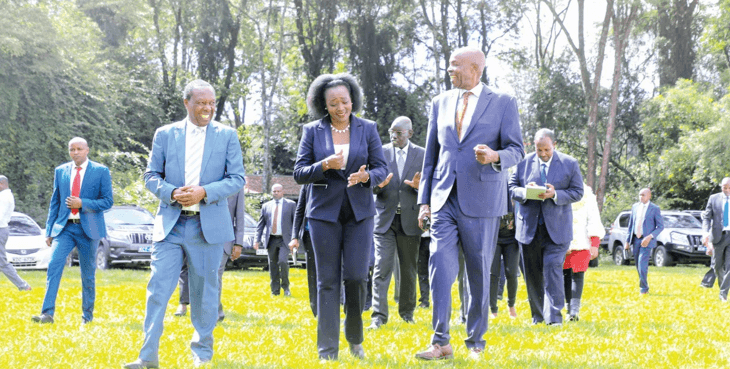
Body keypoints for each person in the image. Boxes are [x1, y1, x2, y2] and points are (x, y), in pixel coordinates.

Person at [124, 79, 245, 369]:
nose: (207, 108)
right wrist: (171, 192)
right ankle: (147, 356)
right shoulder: (165, 134)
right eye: (201, 102)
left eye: (211, 103)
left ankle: (202, 355)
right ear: (187, 103)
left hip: (208, 226)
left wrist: (205, 192)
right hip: (171, 225)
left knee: (205, 294)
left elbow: (237, 178)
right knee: (158, 289)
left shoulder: (227, 136)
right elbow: (151, 175)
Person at [415, 46, 524, 361]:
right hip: (443, 198)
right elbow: (431, 158)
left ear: (476, 68)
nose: (449, 70)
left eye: (455, 65)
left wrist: (494, 157)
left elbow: (516, 149)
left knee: (478, 271)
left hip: (482, 200)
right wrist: (425, 202)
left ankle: (476, 341)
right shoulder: (440, 102)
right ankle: (440, 342)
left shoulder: (503, 103)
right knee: (439, 265)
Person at [293, 73, 388, 360]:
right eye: (333, 103)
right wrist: (323, 164)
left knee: (357, 277)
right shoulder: (312, 131)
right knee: (327, 281)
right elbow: (299, 173)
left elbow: (382, 169)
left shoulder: (368, 128)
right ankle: (327, 350)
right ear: (323, 104)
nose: (340, 107)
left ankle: (355, 338)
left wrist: (367, 176)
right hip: (324, 215)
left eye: (344, 101)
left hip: (359, 214)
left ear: (352, 100)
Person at [31, 137, 113, 325]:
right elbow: (55, 202)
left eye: (79, 149)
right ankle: (47, 314)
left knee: (87, 273)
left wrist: (82, 203)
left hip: (89, 230)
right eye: (71, 149)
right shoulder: (61, 171)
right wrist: (49, 230)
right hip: (64, 228)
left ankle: (87, 317)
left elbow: (107, 202)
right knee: (53, 265)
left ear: (87, 150)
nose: (75, 152)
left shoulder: (100, 171)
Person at [509, 128, 584, 325]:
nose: (543, 154)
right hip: (529, 230)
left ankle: (555, 318)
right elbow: (511, 188)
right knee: (532, 275)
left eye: (547, 150)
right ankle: (538, 317)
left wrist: (556, 194)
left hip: (557, 230)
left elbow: (577, 192)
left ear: (554, 146)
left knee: (552, 268)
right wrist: (525, 192)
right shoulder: (523, 163)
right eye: (539, 149)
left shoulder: (569, 163)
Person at [369, 116, 425, 329]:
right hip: (384, 220)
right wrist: (379, 185)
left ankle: (407, 313)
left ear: (409, 133)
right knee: (382, 267)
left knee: (409, 270)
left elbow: (429, 185)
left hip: (411, 220)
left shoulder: (422, 154)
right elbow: (371, 185)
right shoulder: (380, 153)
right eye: (392, 131)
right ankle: (378, 317)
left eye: (399, 132)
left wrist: (420, 187)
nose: (394, 136)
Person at [173, 187, 246, 320]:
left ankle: (215, 313)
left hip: (223, 239)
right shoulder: (203, 180)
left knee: (214, 274)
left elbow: (239, 217)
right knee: (196, 273)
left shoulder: (236, 186)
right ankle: (204, 307)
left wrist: (238, 243)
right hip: (197, 235)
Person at [563, 183, 604, 321]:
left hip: (582, 242)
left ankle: (574, 311)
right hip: (562, 242)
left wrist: (595, 243)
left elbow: (594, 219)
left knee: (577, 275)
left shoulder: (587, 193)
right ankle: (568, 308)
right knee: (565, 275)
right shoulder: (559, 189)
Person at [255, 184, 296, 296]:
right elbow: (261, 224)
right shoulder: (266, 206)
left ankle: (286, 287)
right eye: (274, 191)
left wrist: (295, 238)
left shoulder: (291, 205)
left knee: (282, 261)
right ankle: (275, 291)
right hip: (271, 239)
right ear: (271, 192)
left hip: (285, 239)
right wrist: (257, 240)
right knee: (272, 265)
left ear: (283, 192)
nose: (276, 193)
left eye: (278, 191)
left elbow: (296, 223)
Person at [624, 188, 663, 295]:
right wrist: (627, 241)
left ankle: (644, 289)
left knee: (642, 264)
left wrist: (650, 236)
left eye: (643, 195)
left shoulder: (654, 208)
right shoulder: (635, 207)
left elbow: (660, 226)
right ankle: (644, 286)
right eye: (640, 195)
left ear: (649, 196)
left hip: (646, 241)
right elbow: (631, 225)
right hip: (636, 239)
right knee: (638, 264)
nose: (641, 197)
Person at [0, 175, 32, 291]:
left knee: (2, 262)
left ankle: (23, 285)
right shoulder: (5, 196)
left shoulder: (4, 198)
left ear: (2, 184)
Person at [290, 183, 317, 316]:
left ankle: (337, 301)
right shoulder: (308, 183)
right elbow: (299, 210)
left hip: (331, 232)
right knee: (313, 272)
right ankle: (315, 307)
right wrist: (294, 236)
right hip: (309, 235)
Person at [489, 196, 519, 319]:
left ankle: (511, 305)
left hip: (512, 240)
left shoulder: (516, 200)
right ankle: (493, 309)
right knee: (493, 274)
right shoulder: (494, 197)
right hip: (494, 239)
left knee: (511, 273)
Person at [702, 177, 730, 302]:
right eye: (725, 188)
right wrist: (705, 233)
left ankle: (723, 293)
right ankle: (721, 288)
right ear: (721, 186)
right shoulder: (714, 198)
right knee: (717, 266)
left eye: (729, 188)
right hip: (718, 236)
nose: (727, 190)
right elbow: (707, 218)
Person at [417, 232, 430, 308]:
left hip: (436, 239)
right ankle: (424, 301)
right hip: (420, 239)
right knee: (422, 272)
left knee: (438, 274)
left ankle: (440, 301)